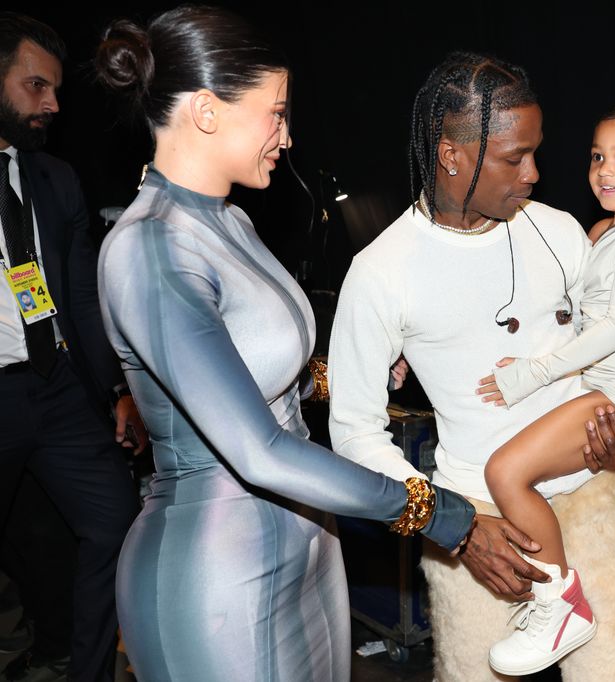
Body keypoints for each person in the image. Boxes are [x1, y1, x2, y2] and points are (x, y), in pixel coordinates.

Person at [93, 7, 474, 681]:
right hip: (215, 577)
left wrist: (352, 370)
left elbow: (270, 376)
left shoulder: (231, 220)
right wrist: (427, 507)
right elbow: (256, 449)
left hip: (308, 547)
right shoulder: (150, 247)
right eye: (275, 113)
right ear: (208, 111)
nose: (288, 136)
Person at [328, 52, 615, 681]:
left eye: (536, 151)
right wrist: (452, 527)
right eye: (514, 158)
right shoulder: (382, 270)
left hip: (594, 494)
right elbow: (353, 433)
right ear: (452, 154)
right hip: (479, 518)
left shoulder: (561, 232)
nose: (535, 173)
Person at [477, 97, 615, 674]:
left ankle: (561, 605)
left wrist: (534, 374)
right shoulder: (607, 229)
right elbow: (581, 320)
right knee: (521, 478)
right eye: (597, 157)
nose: (605, 172)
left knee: (505, 472)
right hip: (594, 382)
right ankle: (552, 594)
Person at [0, 12, 146, 682]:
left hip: (56, 387)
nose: (53, 103)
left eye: (54, 89)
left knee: (116, 522)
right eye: (37, 86)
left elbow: (83, 299)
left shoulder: (55, 177)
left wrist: (118, 390)